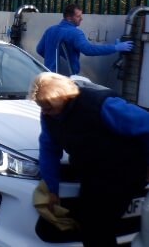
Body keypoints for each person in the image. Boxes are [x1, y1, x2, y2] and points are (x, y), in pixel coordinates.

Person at [29, 72, 149, 246]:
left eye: (48, 107)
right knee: (87, 222)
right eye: (41, 107)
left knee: (97, 226)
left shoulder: (102, 105)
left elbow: (146, 125)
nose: (44, 113)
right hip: (94, 173)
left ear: (62, 98)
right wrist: (51, 187)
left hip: (125, 171)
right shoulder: (49, 116)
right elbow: (49, 149)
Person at [36, 3, 133, 75]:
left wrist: (52, 61)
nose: (81, 19)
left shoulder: (50, 30)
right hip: (65, 79)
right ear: (69, 18)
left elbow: (39, 50)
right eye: (78, 16)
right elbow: (89, 50)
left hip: (49, 76)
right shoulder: (75, 33)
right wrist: (115, 48)